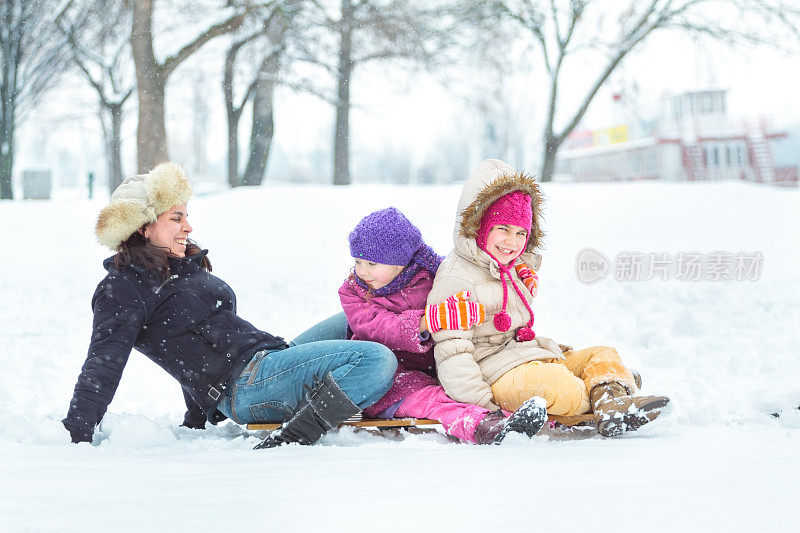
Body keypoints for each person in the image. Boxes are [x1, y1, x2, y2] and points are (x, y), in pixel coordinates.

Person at [62, 162, 396, 449]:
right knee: (377, 360)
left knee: (357, 317)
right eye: (176, 218)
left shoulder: (174, 268)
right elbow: (103, 363)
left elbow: (188, 340)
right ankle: (300, 431)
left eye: (186, 216)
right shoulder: (122, 288)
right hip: (248, 387)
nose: (188, 227)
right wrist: (77, 433)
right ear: (142, 226)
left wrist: (195, 420)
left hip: (269, 362)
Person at [427, 159, 670, 437]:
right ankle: (607, 390)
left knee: (603, 353)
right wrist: (486, 406)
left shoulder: (509, 267)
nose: (512, 241)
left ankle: (609, 402)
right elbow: (452, 353)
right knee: (559, 388)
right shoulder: (456, 278)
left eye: (521, 233)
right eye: (503, 229)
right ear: (480, 225)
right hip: (494, 375)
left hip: (528, 357)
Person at [338, 207, 547, 444]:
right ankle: (484, 427)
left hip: (435, 369)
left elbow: (473, 273)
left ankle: (518, 415)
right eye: (358, 261)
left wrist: (515, 275)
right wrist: (426, 322)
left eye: (372, 263)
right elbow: (374, 326)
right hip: (389, 380)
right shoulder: (354, 291)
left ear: (399, 262)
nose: (362, 271)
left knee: (474, 380)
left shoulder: (433, 275)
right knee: (432, 400)